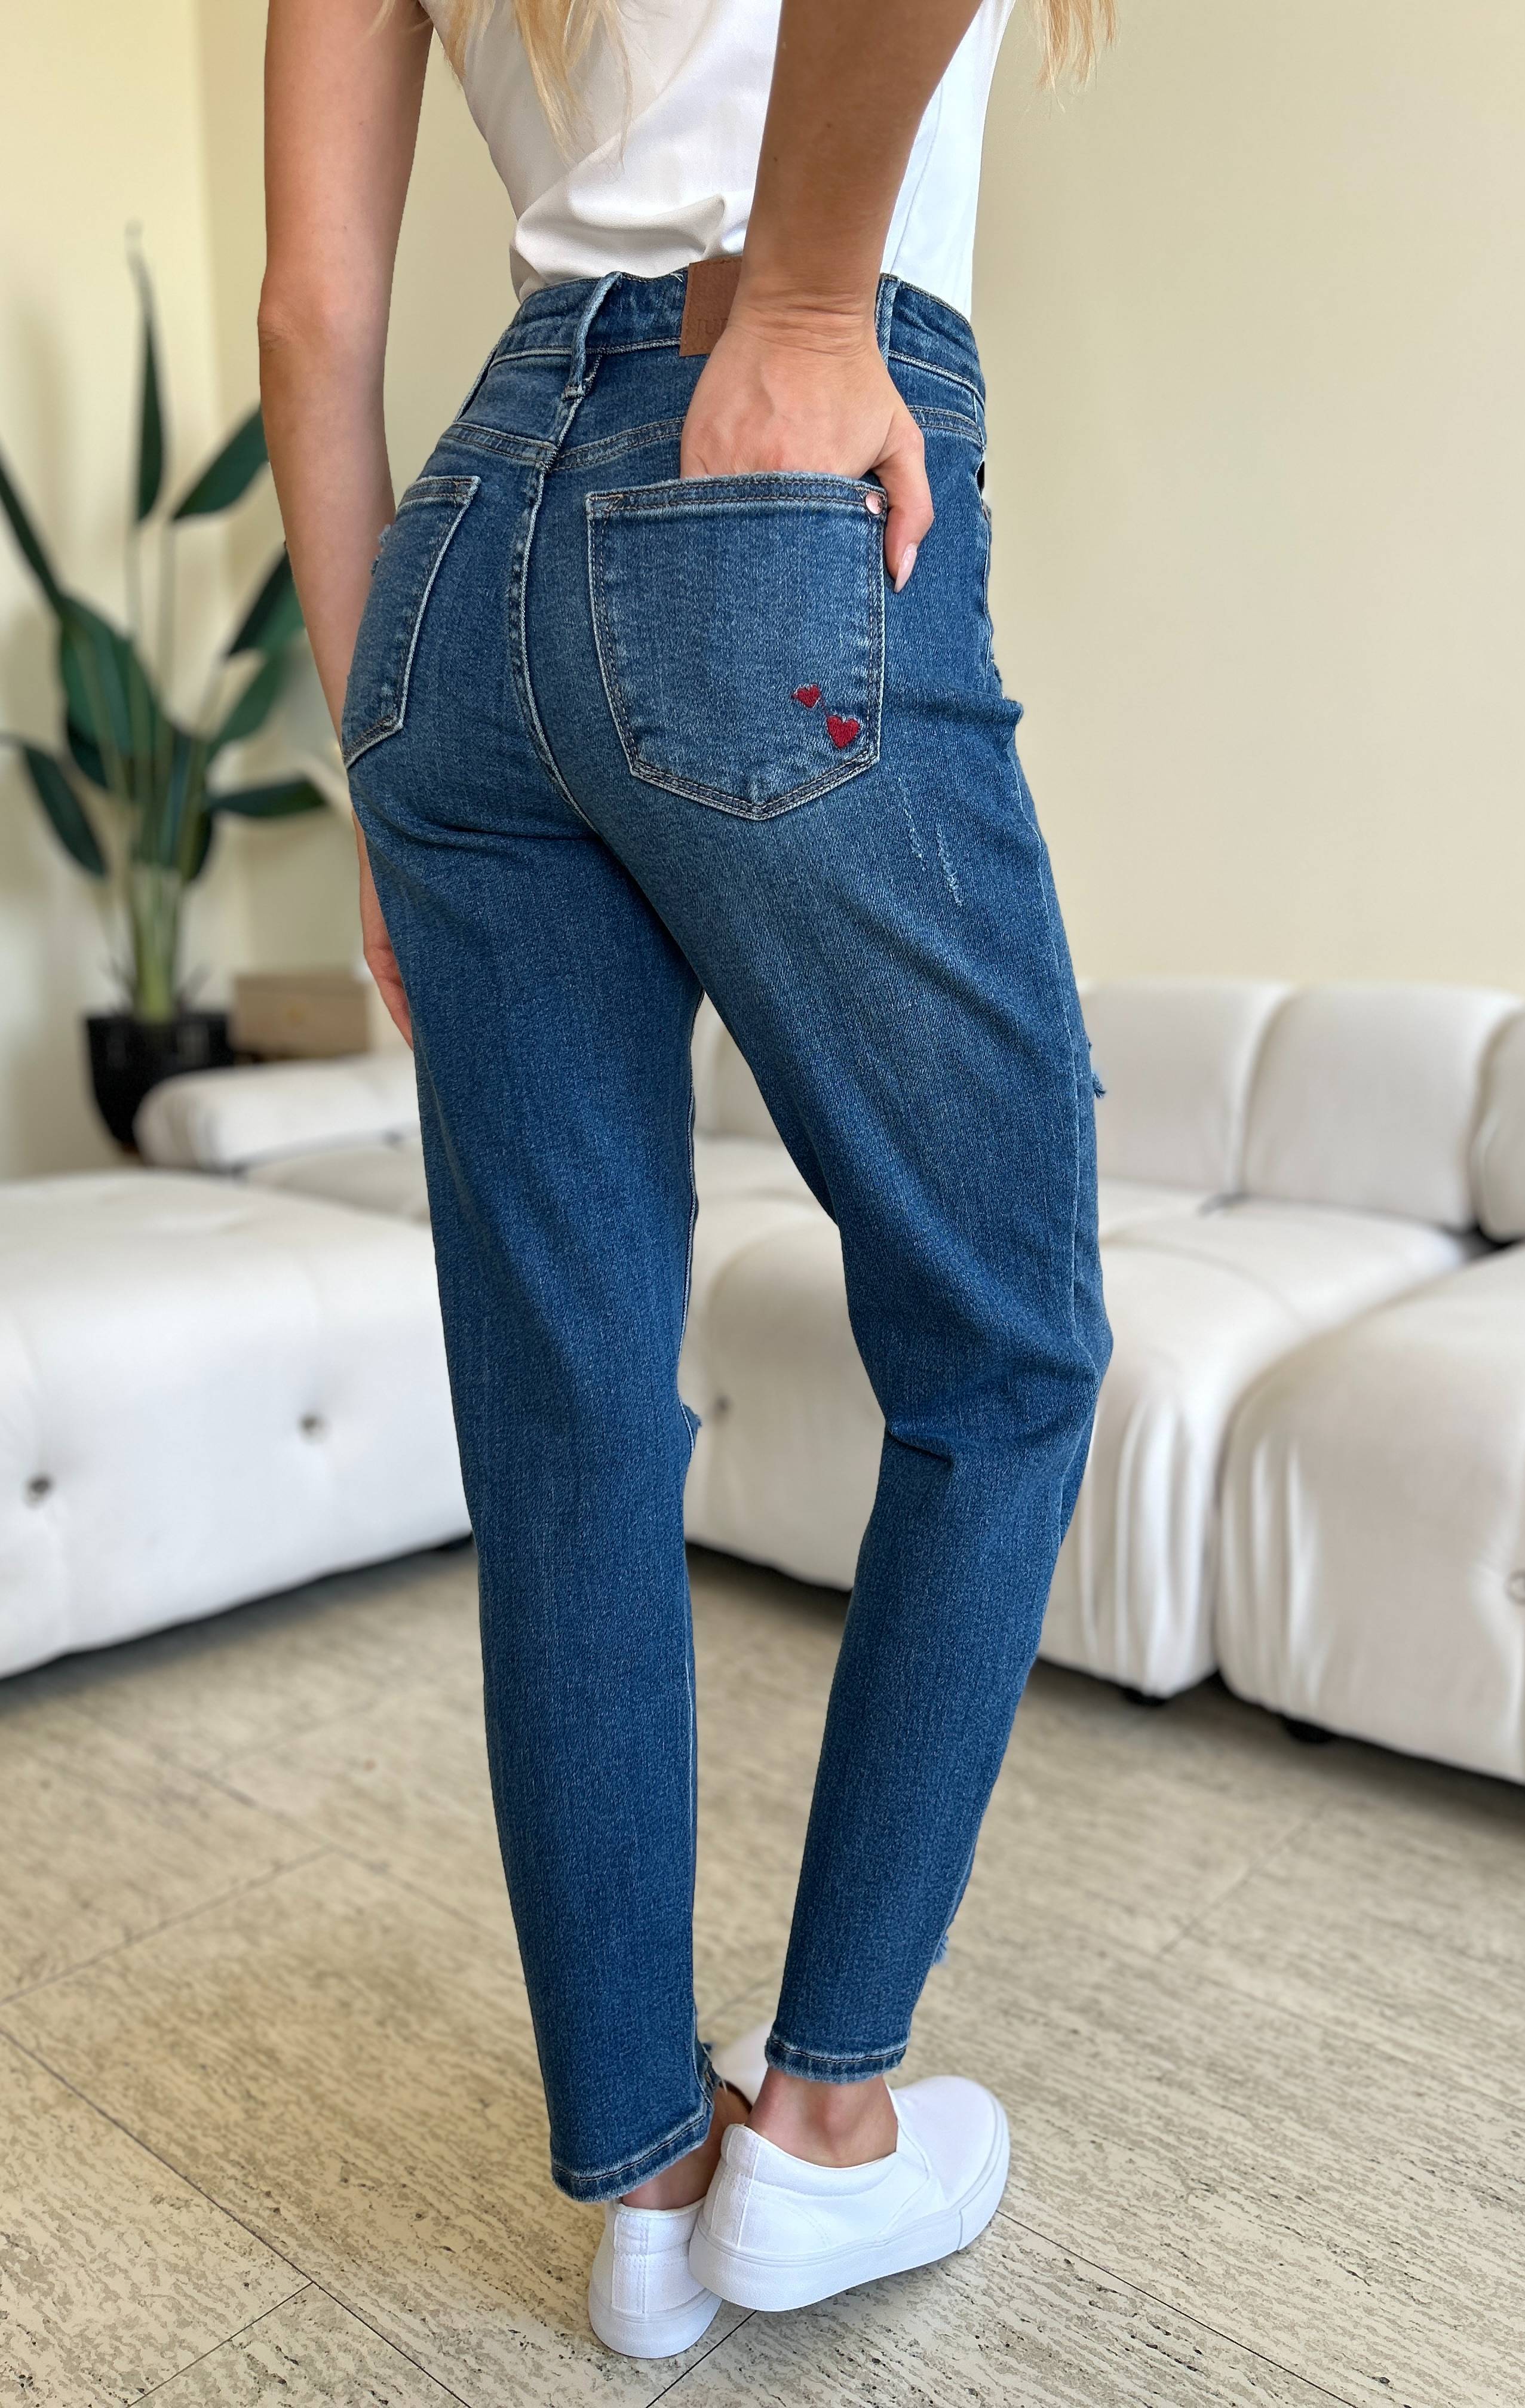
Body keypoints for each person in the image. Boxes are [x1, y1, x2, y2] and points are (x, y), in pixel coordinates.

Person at [260, 0, 1113, 2358]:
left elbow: (318, 318)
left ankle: (647, 2184)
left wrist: (369, 772)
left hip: (449, 582)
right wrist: (819, 305)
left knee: (565, 1428)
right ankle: (824, 2129)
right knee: (1011, 1346)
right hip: (765, 437)